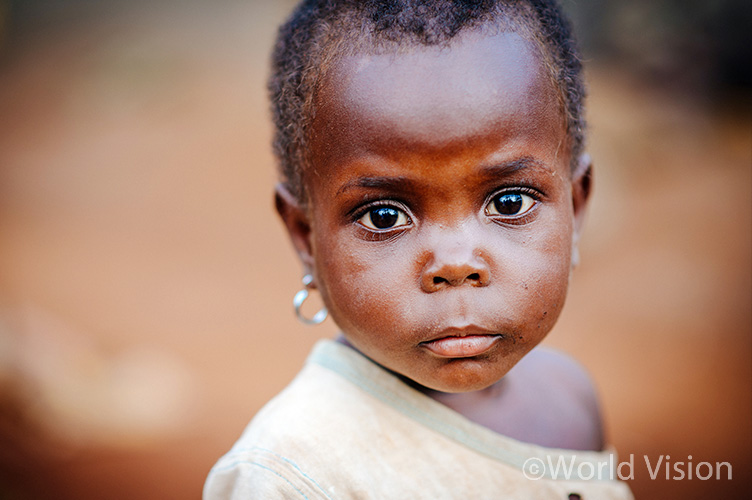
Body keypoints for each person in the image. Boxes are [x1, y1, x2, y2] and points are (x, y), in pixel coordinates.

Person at [205, 1, 633, 498]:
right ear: (305, 235)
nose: (455, 264)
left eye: (510, 202)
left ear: (576, 207)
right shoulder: (295, 472)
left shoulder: (569, 399)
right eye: (384, 216)